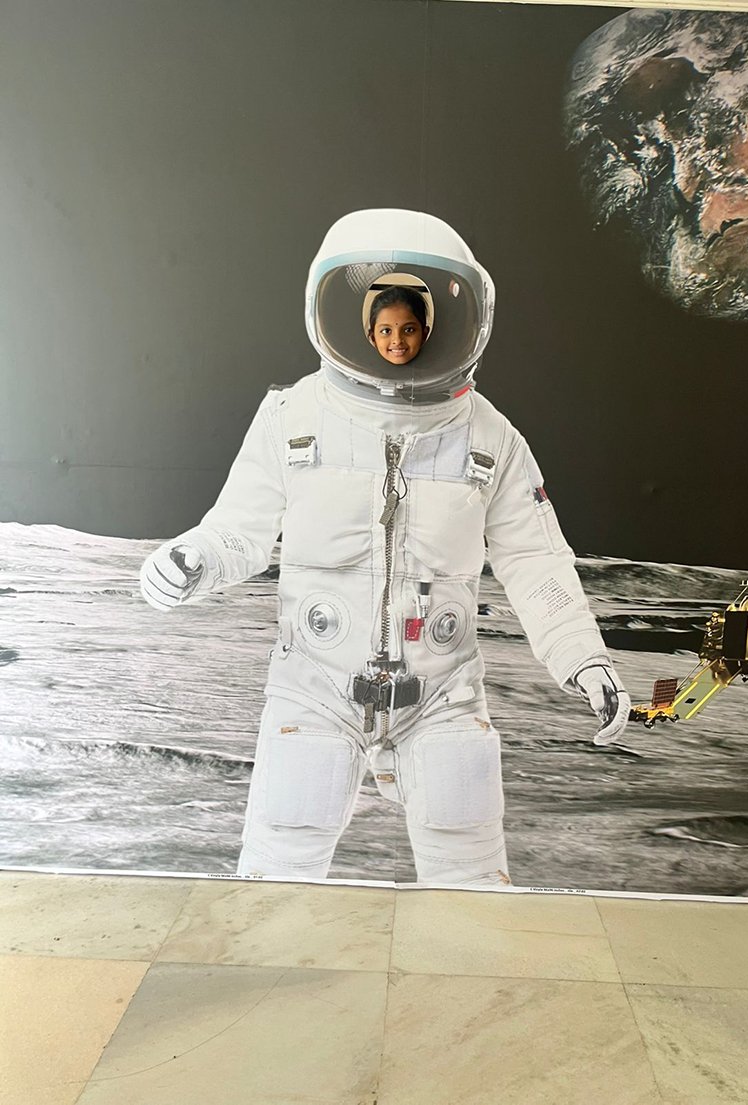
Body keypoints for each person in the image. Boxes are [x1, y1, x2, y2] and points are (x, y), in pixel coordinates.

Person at [139, 208, 630, 887]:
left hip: (443, 691)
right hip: (315, 685)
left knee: (472, 887)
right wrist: (192, 562)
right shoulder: (295, 417)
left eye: (410, 328)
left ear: (438, 327)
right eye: (385, 329)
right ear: (359, 328)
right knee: (278, 880)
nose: (397, 342)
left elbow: (535, 560)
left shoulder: (488, 436)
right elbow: (238, 530)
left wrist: (582, 658)